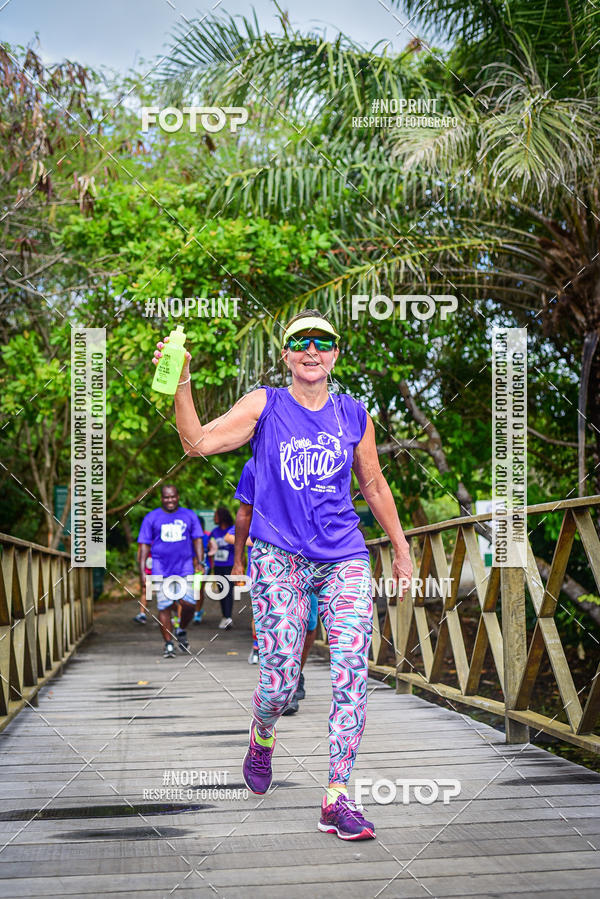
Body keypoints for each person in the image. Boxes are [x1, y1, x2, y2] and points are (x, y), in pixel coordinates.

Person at [153, 308, 412, 841]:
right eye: (301, 341)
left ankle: (337, 797)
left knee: (350, 672)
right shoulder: (265, 404)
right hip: (279, 558)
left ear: (335, 353)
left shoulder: (353, 415)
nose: (311, 350)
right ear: (287, 353)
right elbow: (196, 442)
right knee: (280, 682)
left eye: (323, 341)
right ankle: (262, 731)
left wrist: (403, 551)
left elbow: (375, 487)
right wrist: (182, 382)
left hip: (344, 557)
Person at [228, 458, 315, 713]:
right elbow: (244, 513)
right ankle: (279, 684)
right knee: (276, 621)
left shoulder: (309, 457)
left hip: (312, 554)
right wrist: (237, 561)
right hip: (270, 556)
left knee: (308, 625)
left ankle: (296, 674)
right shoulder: (254, 466)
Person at [137, 484, 204, 657]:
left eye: (173, 496)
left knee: (189, 604)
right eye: (166, 497)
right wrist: (142, 571)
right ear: (161, 498)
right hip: (160, 568)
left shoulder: (189, 515)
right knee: (165, 606)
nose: (170, 500)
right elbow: (143, 546)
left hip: (185, 567)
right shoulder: (151, 517)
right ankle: (168, 643)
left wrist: (200, 561)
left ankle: (181, 629)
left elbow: (197, 539)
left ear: (178, 496)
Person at [209, 506, 235, 629]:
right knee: (221, 591)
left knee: (229, 591)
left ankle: (228, 617)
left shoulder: (232, 530)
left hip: (230, 564)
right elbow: (209, 546)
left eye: (216, 515)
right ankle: (225, 616)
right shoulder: (214, 531)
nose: (214, 518)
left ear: (222, 516)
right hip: (218, 565)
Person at [193, 516, 213, 624]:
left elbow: (212, 551)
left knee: (198, 590)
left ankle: (197, 612)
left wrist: (211, 566)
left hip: (203, 567)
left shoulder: (207, 536)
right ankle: (193, 611)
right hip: (189, 567)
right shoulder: (190, 536)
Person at [133, 548, 152, 623]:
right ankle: (142, 614)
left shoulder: (145, 538)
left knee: (146, 591)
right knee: (146, 591)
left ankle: (142, 614)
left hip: (152, 567)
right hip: (151, 567)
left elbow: (139, 557)